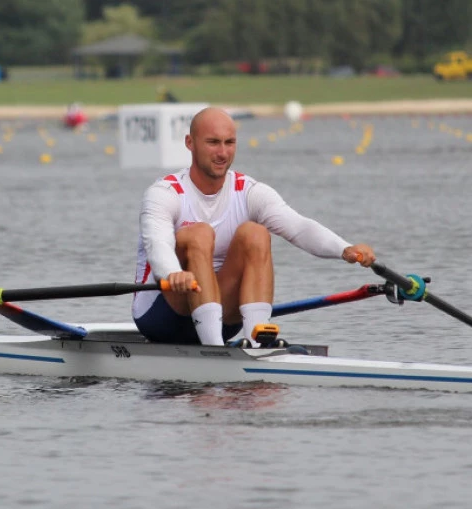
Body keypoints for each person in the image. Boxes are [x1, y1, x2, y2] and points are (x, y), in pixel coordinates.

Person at [132, 107, 375, 347]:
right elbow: (158, 244)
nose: (223, 153)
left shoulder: (248, 191)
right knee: (200, 233)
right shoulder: (164, 193)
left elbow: (298, 227)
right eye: (213, 142)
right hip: (164, 315)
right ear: (190, 143)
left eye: (229, 143)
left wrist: (345, 249)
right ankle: (215, 350)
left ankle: (256, 342)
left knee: (255, 234)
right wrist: (172, 273)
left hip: (224, 317)